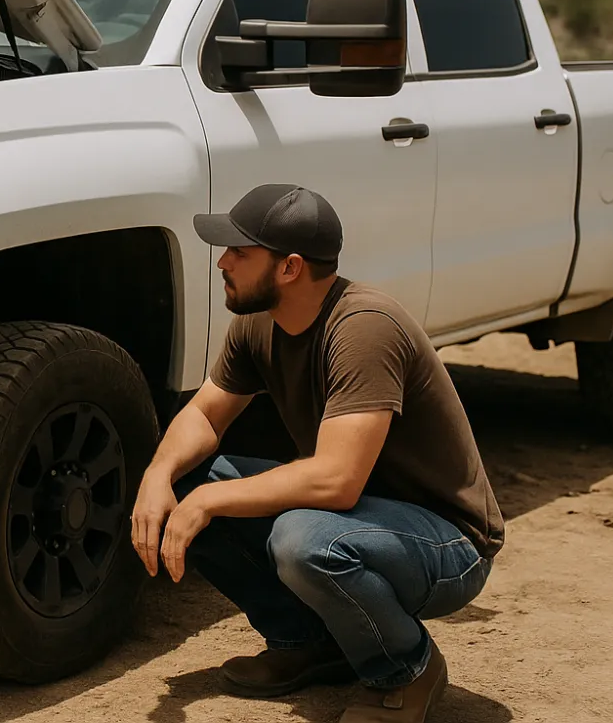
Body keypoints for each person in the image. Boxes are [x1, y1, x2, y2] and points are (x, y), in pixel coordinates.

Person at [131, 184, 503, 723]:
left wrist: (210, 500)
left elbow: (336, 481)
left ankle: (406, 669)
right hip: (356, 517)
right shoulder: (261, 321)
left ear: (290, 268)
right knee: (185, 483)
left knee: (303, 540)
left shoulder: (364, 328)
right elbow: (206, 415)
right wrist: (158, 475)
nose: (223, 262)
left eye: (239, 251)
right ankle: (308, 643)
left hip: (446, 541)